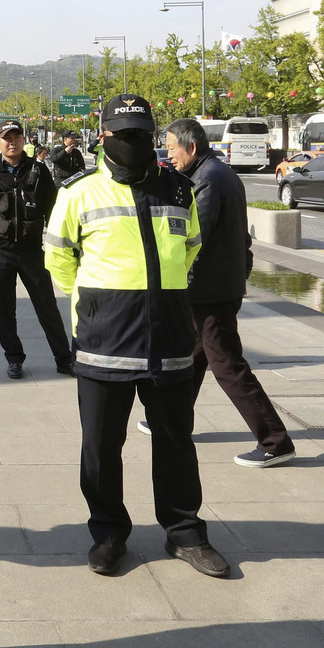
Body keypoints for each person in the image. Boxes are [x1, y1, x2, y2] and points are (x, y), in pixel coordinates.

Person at [46, 95, 230, 580]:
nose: (133, 142)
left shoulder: (176, 187)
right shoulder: (78, 191)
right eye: (123, 133)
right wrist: (98, 304)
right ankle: (108, 533)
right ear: (103, 134)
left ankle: (185, 531)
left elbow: (190, 249)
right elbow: (59, 261)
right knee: (101, 447)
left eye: (141, 134)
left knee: (175, 441)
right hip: (104, 340)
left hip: (168, 338)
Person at [164, 118, 295, 467]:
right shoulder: (217, 173)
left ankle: (275, 440)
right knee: (192, 357)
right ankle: (174, 421)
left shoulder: (206, 180)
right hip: (218, 284)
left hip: (210, 289)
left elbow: (195, 237)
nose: (168, 155)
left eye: (172, 148)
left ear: (190, 147)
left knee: (227, 365)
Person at [0, 119, 73, 379]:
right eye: (6, 138)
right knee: (5, 309)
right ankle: (14, 358)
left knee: (47, 306)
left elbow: (53, 210)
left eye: (16, 137)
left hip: (31, 251)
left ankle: (64, 358)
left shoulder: (38, 170)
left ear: (23, 141)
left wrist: (59, 243)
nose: (12, 142)